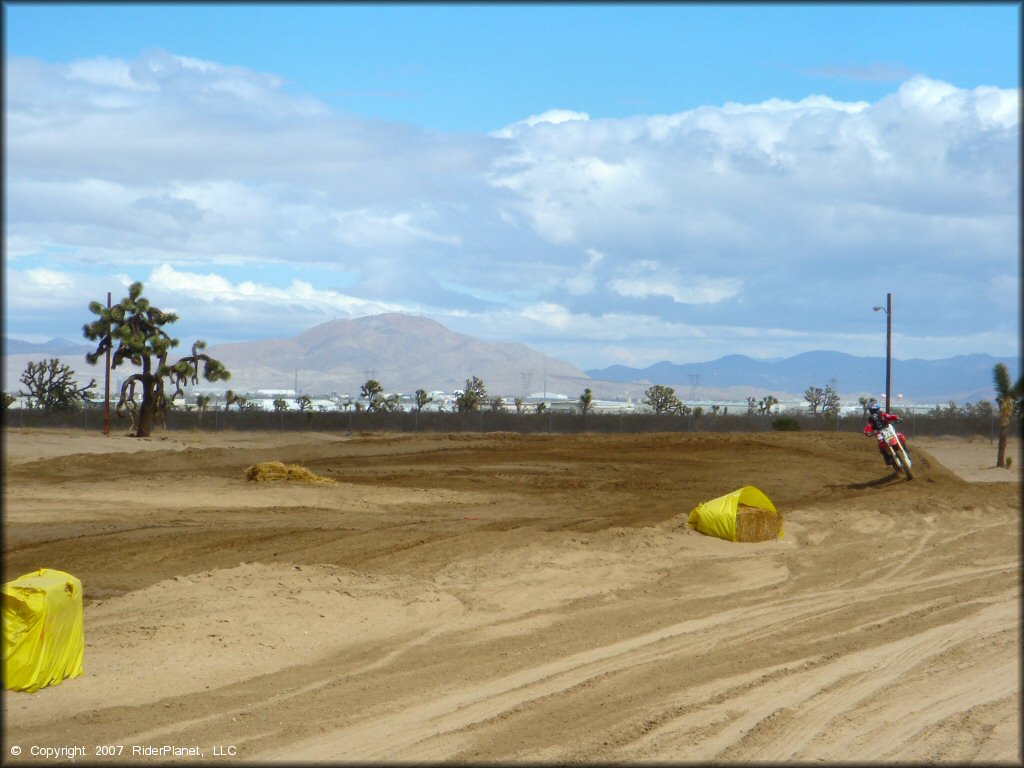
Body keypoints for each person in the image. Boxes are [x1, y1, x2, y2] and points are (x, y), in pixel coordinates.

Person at [864, 399, 903, 465]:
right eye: (873, 411)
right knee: (881, 444)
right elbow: (869, 426)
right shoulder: (871, 419)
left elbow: (890, 416)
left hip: (888, 428)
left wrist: (897, 418)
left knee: (900, 436)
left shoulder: (882, 414)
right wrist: (868, 432)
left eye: (876, 410)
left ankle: (904, 448)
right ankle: (887, 458)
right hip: (879, 433)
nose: (875, 413)